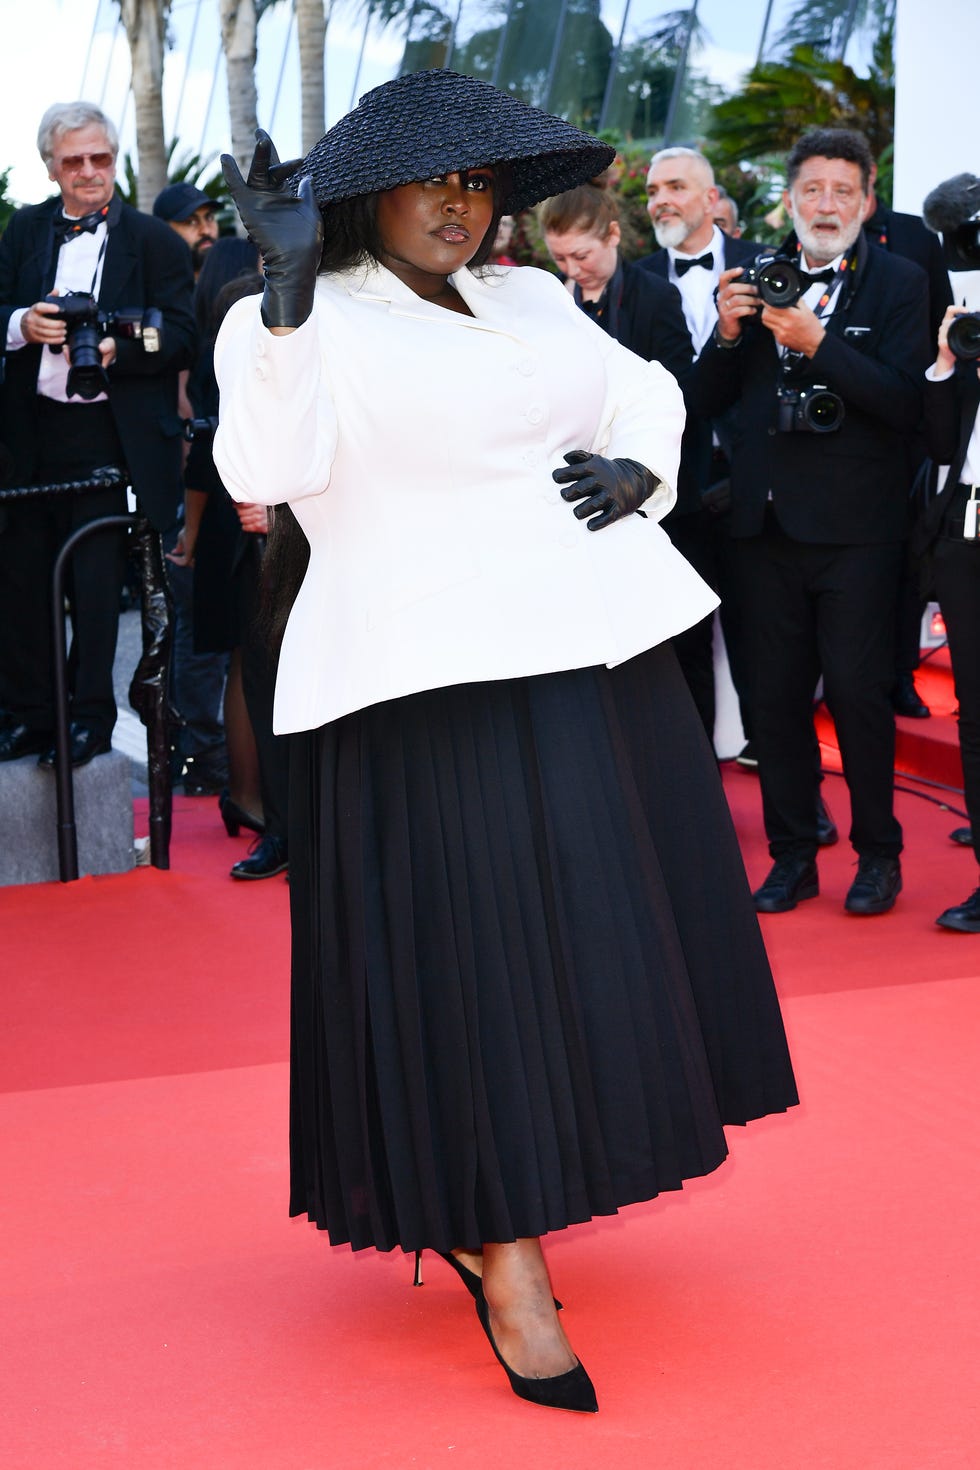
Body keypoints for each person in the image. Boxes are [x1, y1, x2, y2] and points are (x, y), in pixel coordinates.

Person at [213, 69, 798, 1414]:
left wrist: (643, 470)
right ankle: (498, 1239)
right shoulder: (286, 317)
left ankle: (522, 1197)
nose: (464, 207)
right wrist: (291, 303)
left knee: (585, 954)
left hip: (583, 660)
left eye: (482, 186)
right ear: (367, 197)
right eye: (439, 183)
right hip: (416, 681)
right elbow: (265, 471)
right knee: (470, 971)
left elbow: (645, 391)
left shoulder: (533, 299)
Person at [690, 127, 932, 916]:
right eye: (812, 190)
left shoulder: (898, 282)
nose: (826, 205)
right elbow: (703, 404)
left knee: (860, 696)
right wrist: (727, 336)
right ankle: (793, 852)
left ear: (867, 201)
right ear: (788, 199)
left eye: (843, 191)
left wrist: (820, 344)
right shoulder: (759, 277)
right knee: (775, 701)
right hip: (761, 531)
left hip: (858, 534)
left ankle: (878, 854)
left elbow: (905, 407)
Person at [0, 101, 195, 768]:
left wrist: (121, 348)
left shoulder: (155, 241)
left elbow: (185, 332)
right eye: (74, 160)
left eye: (100, 158)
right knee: (22, 582)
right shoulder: (23, 231)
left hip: (111, 438)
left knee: (92, 584)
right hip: (27, 436)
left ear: (115, 160)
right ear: (51, 166)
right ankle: (29, 714)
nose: (88, 172)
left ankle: (89, 719)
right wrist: (22, 323)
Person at [173, 238, 290, 880]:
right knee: (258, 670)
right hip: (247, 514)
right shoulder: (243, 307)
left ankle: (272, 810)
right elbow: (217, 430)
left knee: (259, 667)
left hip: (290, 511)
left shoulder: (338, 304)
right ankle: (275, 817)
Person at [638, 147, 761, 751]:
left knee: (764, 646)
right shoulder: (632, 279)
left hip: (754, 485)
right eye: (654, 189)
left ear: (711, 199)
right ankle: (700, 797)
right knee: (685, 648)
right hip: (673, 493)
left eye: (676, 186)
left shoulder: (766, 265)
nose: (660, 198)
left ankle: (792, 795)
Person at [862, 159, 955, 722]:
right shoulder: (806, 239)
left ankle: (901, 673)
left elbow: (938, 318)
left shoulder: (918, 235)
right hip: (844, 419)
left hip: (909, 423)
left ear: (870, 177)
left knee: (906, 560)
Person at [152, 180, 231, 797]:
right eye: (190, 223)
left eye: (209, 219)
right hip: (189, 491)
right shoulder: (167, 297)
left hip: (218, 487)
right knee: (198, 634)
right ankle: (200, 754)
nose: (204, 231)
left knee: (216, 636)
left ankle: (210, 753)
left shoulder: (218, 301)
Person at [918, 304, 980, 930]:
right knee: (976, 717)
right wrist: (946, 363)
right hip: (965, 536)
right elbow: (937, 445)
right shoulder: (971, 356)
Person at [538, 176, 693, 385]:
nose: (572, 270)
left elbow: (677, 388)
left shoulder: (657, 297)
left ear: (613, 234)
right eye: (559, 258)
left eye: (582, 256)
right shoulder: (544, 297)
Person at [153, 182, 220, 277]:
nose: (206, 231)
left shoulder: (238, 282)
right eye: (191, 222)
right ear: (164, 231)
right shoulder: (150, 288)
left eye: (209, 218)